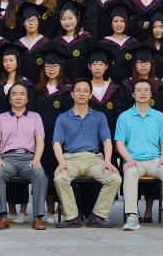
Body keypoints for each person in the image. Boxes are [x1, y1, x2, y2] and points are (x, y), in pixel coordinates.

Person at [51, 80, 121, 227]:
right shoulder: (63, 117)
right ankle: (72, 217)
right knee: (60, 178)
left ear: (90, 95)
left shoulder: (99, 116)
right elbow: (56, 143)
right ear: (72, 94)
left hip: (94, 159)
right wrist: (61, 162)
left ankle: (98, 215)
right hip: (71, 159)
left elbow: (107, 141)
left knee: (115, 178)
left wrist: (107, 161)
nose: (81, 94)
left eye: (85, 91)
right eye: (78, 90)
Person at [113, 80, 163, 231]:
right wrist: (128, 160)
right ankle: (132, 216)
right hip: (133, 160)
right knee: (130, 173)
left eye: (146, 90)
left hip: (155, 160)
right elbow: (119, 143)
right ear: (133, 94)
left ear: (151, 94)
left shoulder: (159, 117)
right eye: (139, 90)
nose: (142, 93)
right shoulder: (124, 117)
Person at [0, 82, 48, 230]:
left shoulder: (35, 117)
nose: (18, 97)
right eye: (14, 94)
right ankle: (2, 217)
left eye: (22, 94)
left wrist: (37, 159)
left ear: (27, 99)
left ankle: (38, 217)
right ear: (9, 99)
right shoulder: (0, 118)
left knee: (40, 175)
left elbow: (40, 141)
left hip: (29, 159)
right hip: (7, 159)